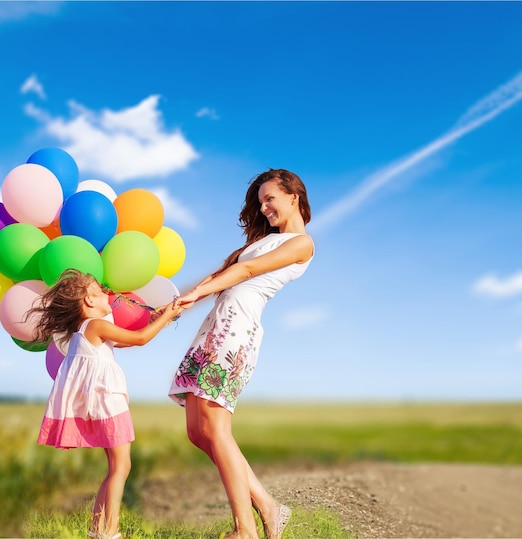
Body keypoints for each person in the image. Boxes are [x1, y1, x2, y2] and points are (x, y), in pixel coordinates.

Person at [168, 169, 315, 539]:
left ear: (293, 196)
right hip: (215, 327)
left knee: (216, 429)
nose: (264, 208)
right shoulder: (259, 241)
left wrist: (198, 296)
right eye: (261, 201)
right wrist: (174, 303)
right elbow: (220, 274)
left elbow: (247, 271)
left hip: (236, 331)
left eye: (270, 199)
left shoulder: (302, 243)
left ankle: (244, 529)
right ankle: (269, 506)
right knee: (198, 433)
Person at [27, 269, 182, 539]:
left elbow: (127, 342)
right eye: (99, 292)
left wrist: (160, 320)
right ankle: (110, 532)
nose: (107, 294)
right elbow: (140, 339)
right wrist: (168, 313)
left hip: (102, 403)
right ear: (88, 301)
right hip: (109, 402)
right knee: (121, 468)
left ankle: (97, 531)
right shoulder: (95, 326)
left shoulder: (86, 330)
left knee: (116, 469)